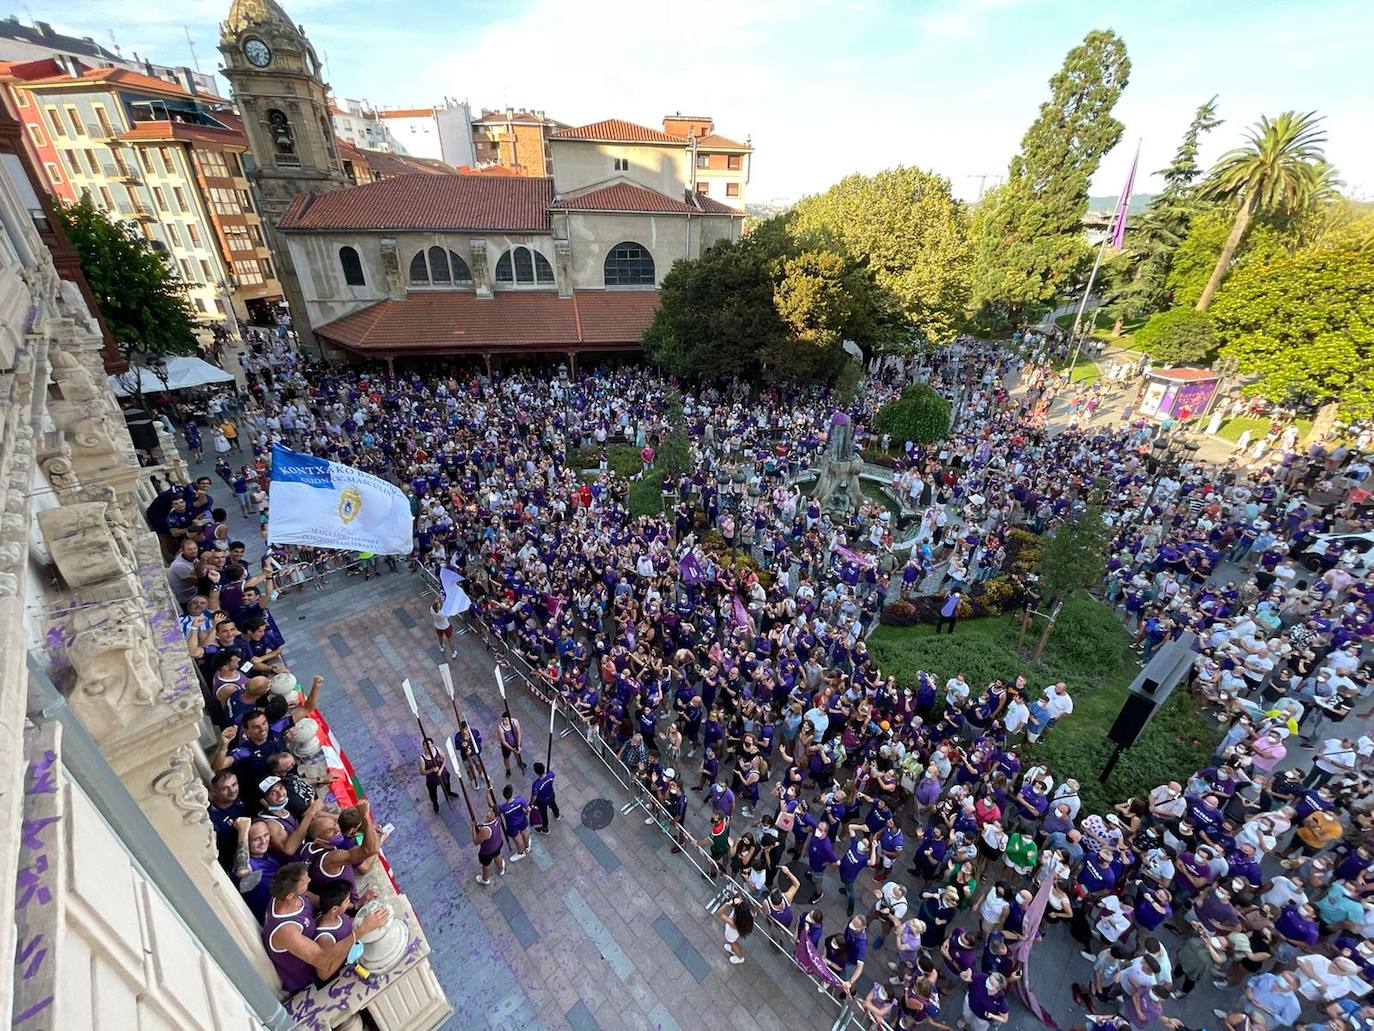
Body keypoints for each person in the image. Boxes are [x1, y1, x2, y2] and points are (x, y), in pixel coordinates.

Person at [261, 862, 386, 993]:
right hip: (310, 977)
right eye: (305, 882)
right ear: (290, 896)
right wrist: (362, 930)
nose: (309, 880)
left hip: (319, 939)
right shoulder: (286, 931)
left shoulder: (288, 897)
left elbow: (322, 902)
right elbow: (321, 959)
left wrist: (355, 905)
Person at [419, 737, 458, 813]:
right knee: (433, 793)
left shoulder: (437, 750)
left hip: (442, 773)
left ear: (432, 745)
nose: (427, 746)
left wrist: (440, 770)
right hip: (432, 779)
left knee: (447, 784)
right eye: (425, 745)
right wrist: (431, 770)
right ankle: (435, 804)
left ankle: (449, 793)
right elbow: (422, 772)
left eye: (429, 744)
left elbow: (444, 758)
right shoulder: (422, 759)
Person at [472, 803, 507, 885]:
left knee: (485, 865)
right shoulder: (498, 818)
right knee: (497, 855)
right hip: (498, 843)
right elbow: (491, 803)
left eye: (491, 813)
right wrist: (488, 791)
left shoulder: (486, 830)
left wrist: (473, 827)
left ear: (495, 816)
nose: (488, 814)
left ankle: (485, 879)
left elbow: (476, 841)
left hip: (487, 851)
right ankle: (501, 868)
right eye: (489, 811)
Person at [716, 892, 754, 965]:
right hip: (737, 933)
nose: (739, 900)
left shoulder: (733, 923)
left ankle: (739, 957)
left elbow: (719, 913)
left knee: (733, 943)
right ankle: (733, 949)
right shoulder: (745, 915)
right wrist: (736, 896)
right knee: (734, 942)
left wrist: (727, 904)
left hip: (731, 934)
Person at [499, 783, 532, 860]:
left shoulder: (503, 808)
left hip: (511, 825)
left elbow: (492, 806)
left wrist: (488, 792)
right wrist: (525, 813)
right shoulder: (520, 800)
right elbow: (529, 809)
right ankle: (527, 846)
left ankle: (521, 853)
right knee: (524, 832)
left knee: (517, 838)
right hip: (522, 820)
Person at [531, 762, 561, 832]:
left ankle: (545, 829)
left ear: (536, 773)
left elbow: (534, 796)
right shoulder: (551, 774)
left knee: (543, 814)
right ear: (544, 768)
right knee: (553, 805)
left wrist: (532, 803)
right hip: (551, 795)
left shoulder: (536, 784)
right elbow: (550, 775)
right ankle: (557, 814)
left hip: (542, 801)